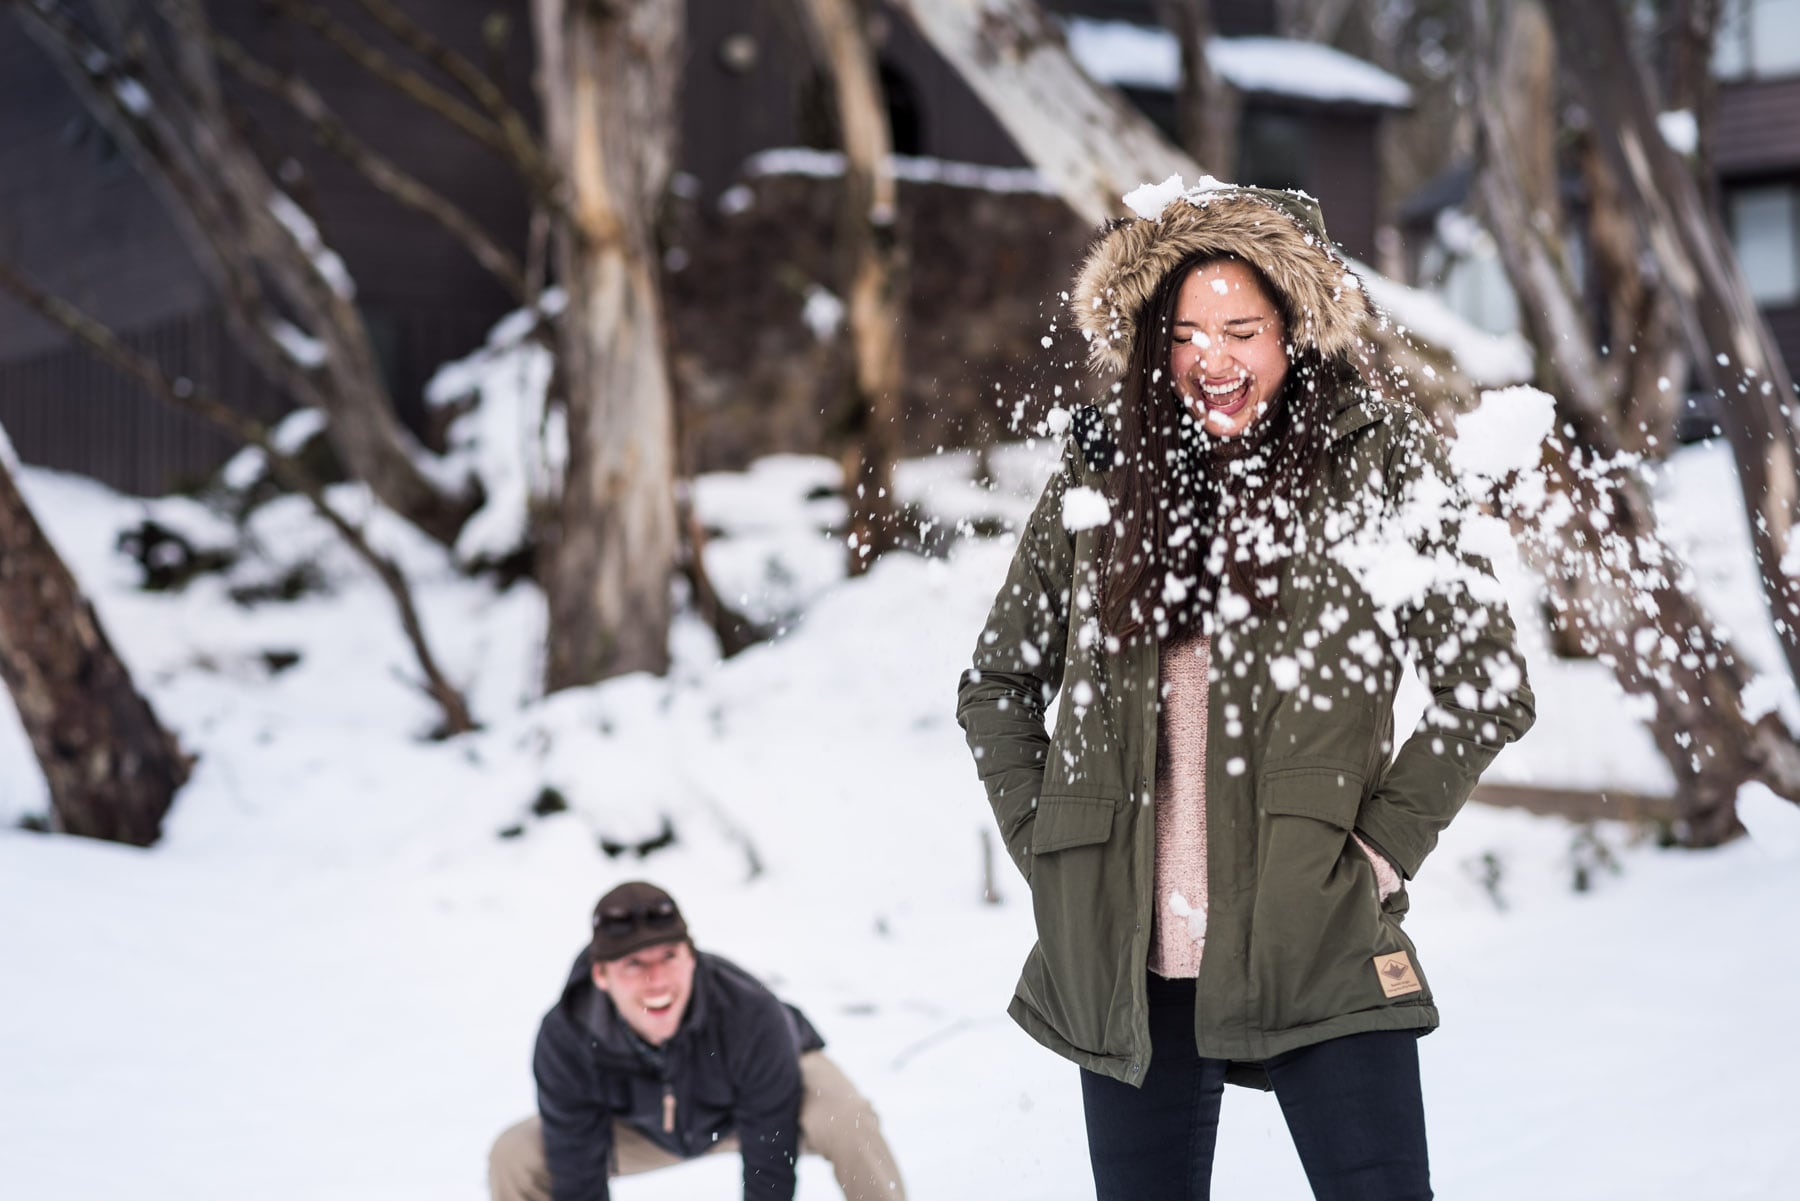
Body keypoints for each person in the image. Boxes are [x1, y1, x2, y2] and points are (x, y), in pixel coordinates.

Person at [955, 181, 1536, 1201]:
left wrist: (1384, 845)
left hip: (1313, 931)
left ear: (1296, 331)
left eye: (1241, 330)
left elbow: (1485, 678)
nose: (1210, 360)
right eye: (1184, 334)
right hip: (1129, 957)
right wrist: (1058, 844)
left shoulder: (1371, 463)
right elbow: (998, 684)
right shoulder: (1102, 479)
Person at [488, 881, 906, 1201]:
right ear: (601, 975)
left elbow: (771, 1157)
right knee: (515, 1155)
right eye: (633, 964)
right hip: (643, 1125)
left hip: (763, 1108)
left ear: (692, 957)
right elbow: (577, 1175)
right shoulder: (566, 1038)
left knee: (847, 1116)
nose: (657, 980)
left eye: (669, 956)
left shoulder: (751, 1013)